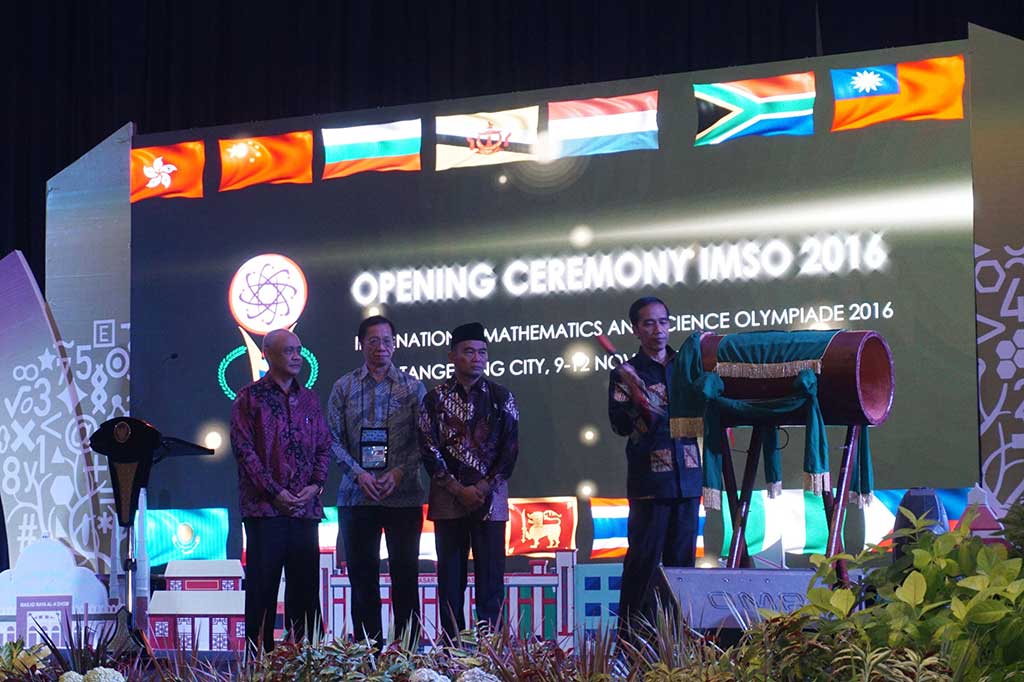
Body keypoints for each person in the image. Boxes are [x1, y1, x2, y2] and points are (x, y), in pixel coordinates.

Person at [608, 296, 702, 643]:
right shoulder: (626, 373)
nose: (657, 329)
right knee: (644, 564)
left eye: (663, 322)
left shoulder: (687, 366)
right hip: (650, 483)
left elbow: (703, 413)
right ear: (636, 329)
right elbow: (619, 425)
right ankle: (631, 645)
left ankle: (677, 645)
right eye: (648, 323)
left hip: (688, 479)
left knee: (682, 567)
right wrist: (639, 407)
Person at [230, 328, 330, 653]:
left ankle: (307, 662)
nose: (296, 357)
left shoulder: (310, 399)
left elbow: (324, 446)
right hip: (265, 512)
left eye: (299, 350)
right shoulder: (248, 398)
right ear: (267, 355)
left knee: (305, 595)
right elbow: (245, 452)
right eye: (288, 351)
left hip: (305, 512)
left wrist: (315, 486)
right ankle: (260, 664)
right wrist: (276, 492)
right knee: (262, 592)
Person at [328, 315, 426, 644]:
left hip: (404, 496)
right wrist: (358, 474)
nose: (381, 347)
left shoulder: (413, 387)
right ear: (362, 345)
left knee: (406, 577)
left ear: (395, 345)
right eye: (373, 341)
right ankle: (367, 656)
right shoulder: (343, 387)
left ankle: (407, 653)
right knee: (362, 580)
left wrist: (399, 471)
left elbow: (424, 440)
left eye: (387, 341)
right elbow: (332, 440)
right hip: (357, 498)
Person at [419, 322, 519, 642]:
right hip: (448, 500)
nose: (477, 358)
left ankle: (490, 652)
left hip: (491, 500)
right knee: (451, 583)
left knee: (491, 582)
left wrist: (483, 486)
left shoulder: (501, 397)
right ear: (452, 356)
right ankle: (453, 650)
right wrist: (456, 488)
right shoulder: (434, 399)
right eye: (469, 352)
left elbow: (510, 450)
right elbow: (428, 448)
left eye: (482, 352)